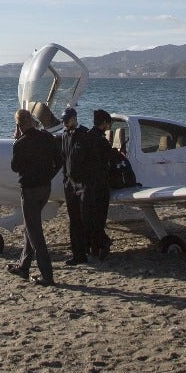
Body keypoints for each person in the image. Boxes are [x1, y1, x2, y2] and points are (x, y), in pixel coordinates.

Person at [7, 108, 62, 286]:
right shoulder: (47, 138)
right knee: (30, 227)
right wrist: (48, 176)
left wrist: (16, 140)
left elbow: (14, 167)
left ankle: (47, 275)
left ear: (19, 125)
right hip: (45, 188)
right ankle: (24, 266)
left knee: (35, 233)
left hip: (29, 190)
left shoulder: (20, 143)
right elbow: (59, 161)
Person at [80, 109, 115, 260]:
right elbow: (109, 161)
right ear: (104, 123)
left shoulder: (85, 137)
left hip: (86, 184)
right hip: (99, 184)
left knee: (88, 218)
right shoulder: (102, 141)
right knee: (100, 218)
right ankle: (100, 245)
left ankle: (89, 246)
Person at [57, 108, 89, 265]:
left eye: (66, 120)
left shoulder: (84, 134)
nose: (64, 123)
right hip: (69, 183)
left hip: (82, 183)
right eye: (63, 120)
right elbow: (63, 158)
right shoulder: (64, 135)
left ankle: (88, 249)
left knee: (84, 219)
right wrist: (65, 179)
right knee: (73, 219)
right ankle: (77, 254)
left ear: (74, 118)